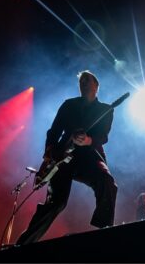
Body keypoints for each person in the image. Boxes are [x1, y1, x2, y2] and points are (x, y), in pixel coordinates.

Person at [17, 71, 118, 245]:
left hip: (89, 156)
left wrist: (88, 140)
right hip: (62, 158)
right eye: (81, 81)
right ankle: (24, 244)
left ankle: (105, 231)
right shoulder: (68, 105)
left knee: (107, 181)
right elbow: (54, 131)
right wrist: (49, 153)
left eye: (87, 80)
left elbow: (103, 136)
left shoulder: (105, 110)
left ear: (96, 85)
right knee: (56, 203)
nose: (83, 83)